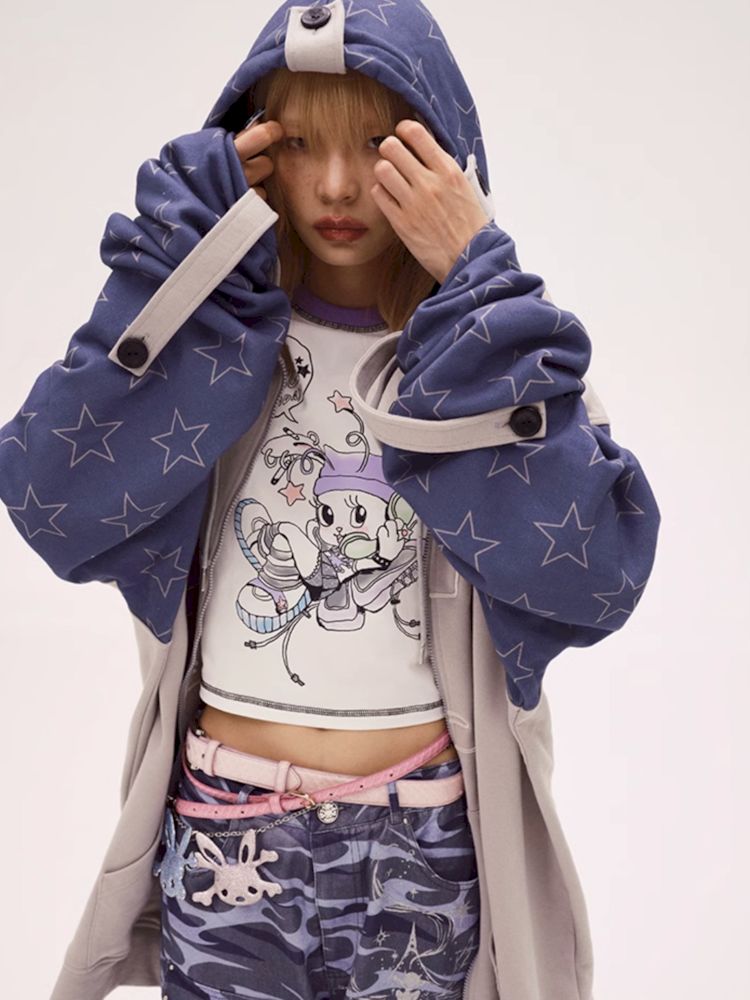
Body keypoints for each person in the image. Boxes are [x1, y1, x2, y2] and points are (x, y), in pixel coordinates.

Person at [0, 2, 661, 999]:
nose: (340, 184)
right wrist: (185, 261)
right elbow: (52, 494)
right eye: (301, 141)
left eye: (378, 144)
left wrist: (475, 285)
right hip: (227, 829)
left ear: (441, 158)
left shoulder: (493, 359)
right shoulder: (214, 343)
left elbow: (596, 577)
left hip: (420, 838)